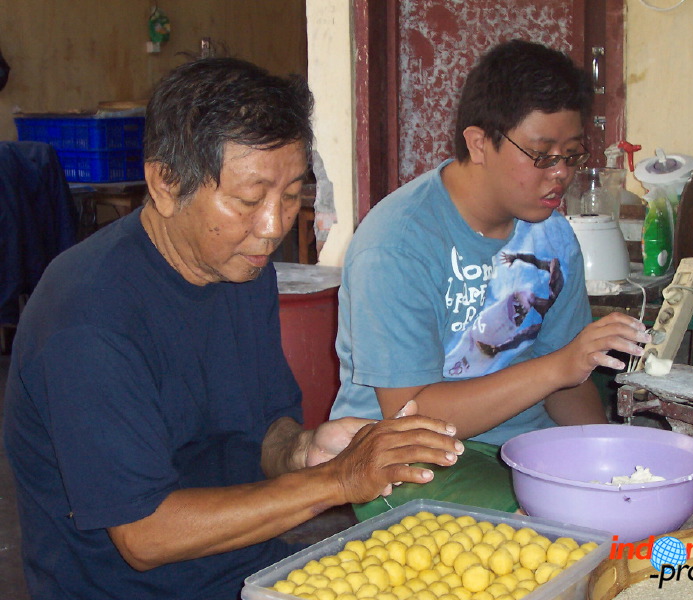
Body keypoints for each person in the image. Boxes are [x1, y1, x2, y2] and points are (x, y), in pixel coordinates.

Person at [2, 57, 464, 600]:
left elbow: (261, 432)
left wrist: (307, 450)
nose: (272, 227)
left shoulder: (241, 268)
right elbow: (145, 535)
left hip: (246, 566)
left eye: (290, 195)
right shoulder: (89, 320)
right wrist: (335, 481)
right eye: (248, 200)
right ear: (166, 184)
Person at [329, 39, 649, 520]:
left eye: (572, 155)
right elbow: (411, 415)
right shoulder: (396, 244)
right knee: (545, 533)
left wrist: (608, 463)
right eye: (541, 155)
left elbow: (569, 382)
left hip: (521, 446)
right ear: (479, 143)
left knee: (618, 504)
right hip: (405, 457)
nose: (560, 174)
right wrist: (559, 366)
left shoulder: (553, 235)